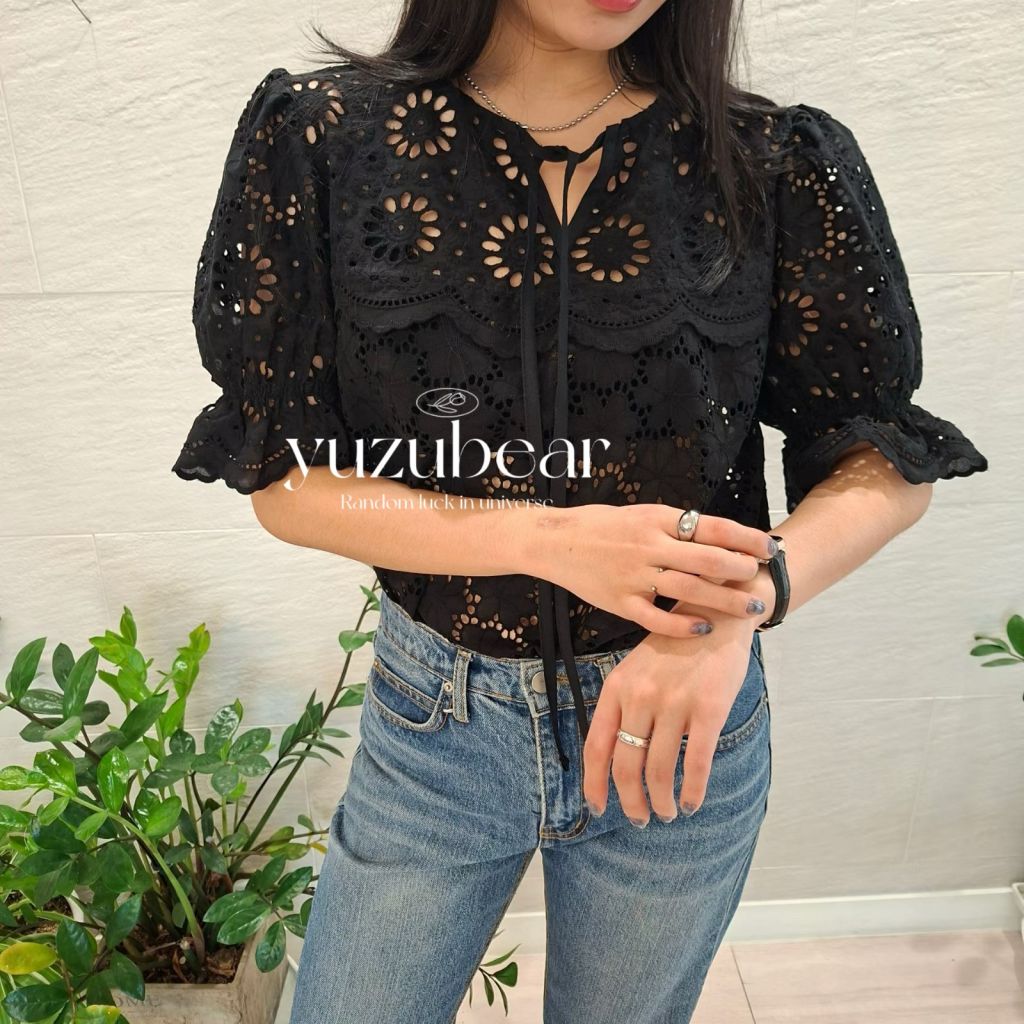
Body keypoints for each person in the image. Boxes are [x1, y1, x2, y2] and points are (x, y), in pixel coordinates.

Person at [172, 1, 988, 1020]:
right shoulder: (325, 137)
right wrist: (549, 538)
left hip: (681, 720)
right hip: (438, 725)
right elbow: (287, 480)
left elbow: (884, 455)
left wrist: (736, 605)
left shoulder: (773, 160)